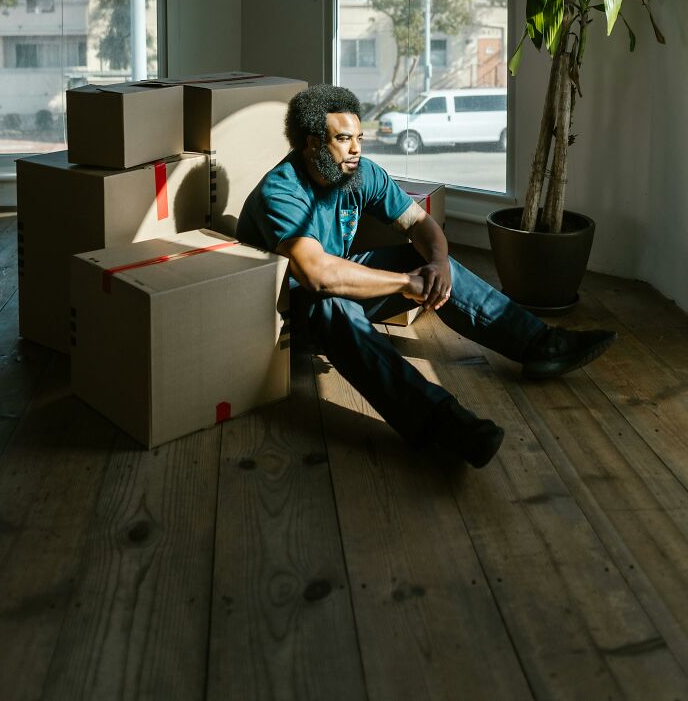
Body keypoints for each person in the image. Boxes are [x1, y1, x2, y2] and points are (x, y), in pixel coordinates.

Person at [236, 85, 616, 469]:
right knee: (333, 302)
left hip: (339, 282)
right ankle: (442, 423)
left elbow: (419, 222)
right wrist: (406, 284)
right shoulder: (281, 191)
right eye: (344, 139)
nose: (356, 149)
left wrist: (436, 265)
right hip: (288, 310)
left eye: (359, 138)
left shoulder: (360, 173)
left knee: (419, 261)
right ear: (312, 143)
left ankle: (540, 344)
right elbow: (316, 275)